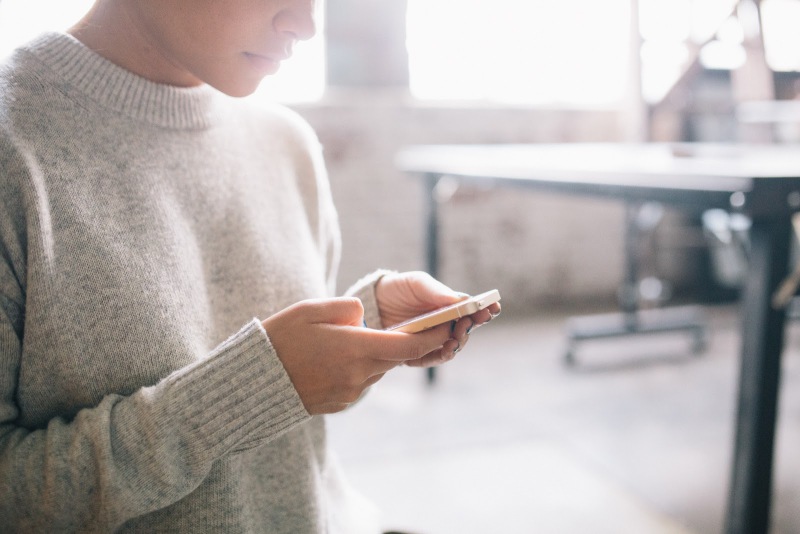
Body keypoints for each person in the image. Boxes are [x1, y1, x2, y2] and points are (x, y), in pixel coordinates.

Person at [0, 0, 500, 532]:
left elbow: (290, 441)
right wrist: (251, 391)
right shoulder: (16, 144)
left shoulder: (286, 143)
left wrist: (367, 326)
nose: (306, 25)